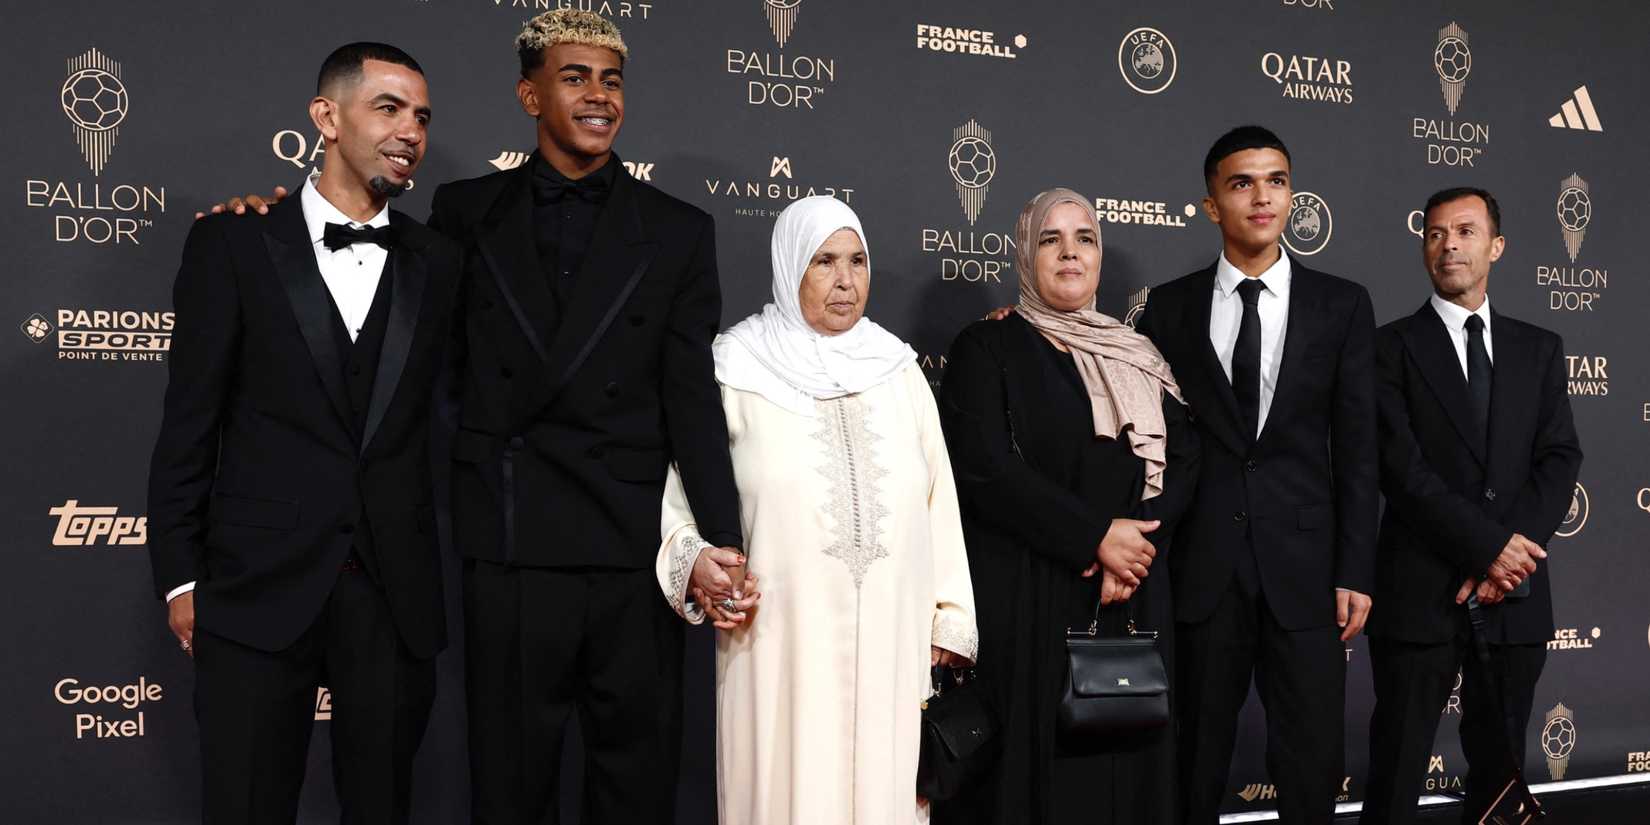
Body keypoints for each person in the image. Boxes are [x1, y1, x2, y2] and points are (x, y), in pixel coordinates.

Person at [201, 11, 748, 821]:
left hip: (631, 552)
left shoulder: (679, 230)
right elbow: (418, 352)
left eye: (611, 80)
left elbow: (692, 399)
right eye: (575, 77)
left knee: (636, 789)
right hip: (508, 546)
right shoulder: (462, 215)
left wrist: (722, 538)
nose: (599, 96)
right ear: (529, 95)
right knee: (508, 790)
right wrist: (270, 224)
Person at [147, 43, 461, 825]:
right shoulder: (232, 243)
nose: (410, 131)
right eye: (388, 108)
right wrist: (181, 578)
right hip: (254, 588)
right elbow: (189, 423)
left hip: (393, 596)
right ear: (326, 116)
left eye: (422, 117)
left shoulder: (442, 262)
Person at [654, 195, 977, 825]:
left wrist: (951, 615)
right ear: (789, 265)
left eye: (857, 261)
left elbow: (939, 498)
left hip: (894, 643)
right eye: (824, 262)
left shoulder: (897, 370)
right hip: (776, 643)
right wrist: (697, 561)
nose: (845, 280)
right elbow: (679, 495)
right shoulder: (735, 367)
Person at [1131, 126, 1377, 825]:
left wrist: (1355, 568)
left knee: (1310, 765)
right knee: (1192, 765)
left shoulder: (1341, 304)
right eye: (1242, 183)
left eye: (1276, 181)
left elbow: (1358, 448)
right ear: (1212, 204)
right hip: (1203, 568)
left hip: (1307, 571)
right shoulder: (1169, 307)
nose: (1262, 197)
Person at [935, 188, 1199, 824]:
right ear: (1026, 255)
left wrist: (1133, 550)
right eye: (1050, 240)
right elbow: (986, 469)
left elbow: (1186, 461)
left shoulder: (1140, 355)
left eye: (1084, 239)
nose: (1069, 253)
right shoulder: (988, 347)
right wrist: (1095, 537)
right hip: (1035, 597)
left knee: (1130, 778)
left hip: (1132, 596)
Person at [1359, 187, 1581, 825]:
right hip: (1419, 591)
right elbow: (1401, 471)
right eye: (1434, 234)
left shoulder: (1539, 348)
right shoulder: (1387, 348)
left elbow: (1559, 458)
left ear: (1497, 246)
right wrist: (1489, 549)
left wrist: (1508, 560)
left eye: (1464, 231)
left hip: (1514, 594)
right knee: (1397, 770)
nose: (1448, 245)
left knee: (1501, 778)